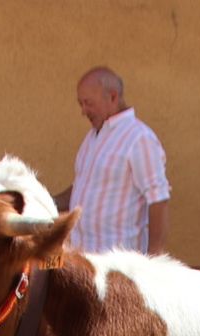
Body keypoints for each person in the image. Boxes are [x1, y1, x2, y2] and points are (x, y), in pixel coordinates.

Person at [55, 67, 170, 254]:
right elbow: (82, 187)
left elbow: (159, 200)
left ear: (113, 97)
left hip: (118, 266)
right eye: (80, 104)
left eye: (88, 103)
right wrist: (45, 200)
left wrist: (154, 261)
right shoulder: (92, 137)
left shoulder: (139, 137)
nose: (83, 111)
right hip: (85, 260)